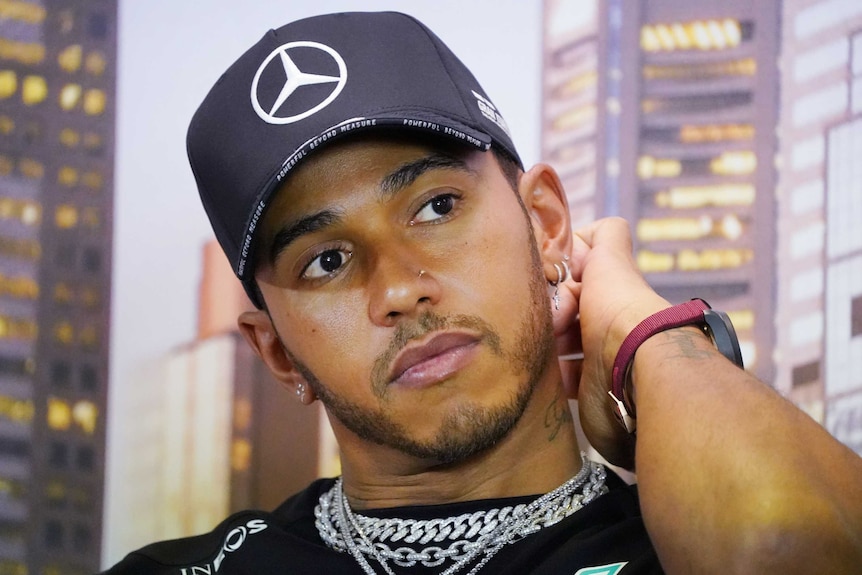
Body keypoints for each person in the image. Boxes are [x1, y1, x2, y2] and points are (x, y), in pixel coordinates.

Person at [104, 11, 862, 574]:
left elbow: (786, 546)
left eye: (436, 207)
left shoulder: (682, 542)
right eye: (327, 259)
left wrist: (642, 334)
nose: (397, 287)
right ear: (276, 351)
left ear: (546, 224)